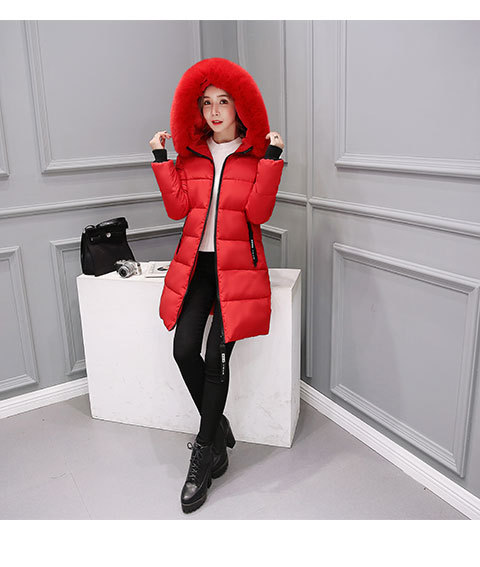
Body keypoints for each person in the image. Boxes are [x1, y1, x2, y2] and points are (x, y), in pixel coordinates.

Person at [149, 57, 284, 514]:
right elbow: (177, 209)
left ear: (238, 105)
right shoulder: (192, 154)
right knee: (184, 349)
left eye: (223, 101)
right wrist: (162, 160)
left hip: (238, 269)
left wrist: (272, 162)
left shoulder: (255, 155)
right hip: (199, 268)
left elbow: (259, 214)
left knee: (215, 356)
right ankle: (218, 425)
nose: (214, 111)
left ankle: (205, 453)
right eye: (206, 103)